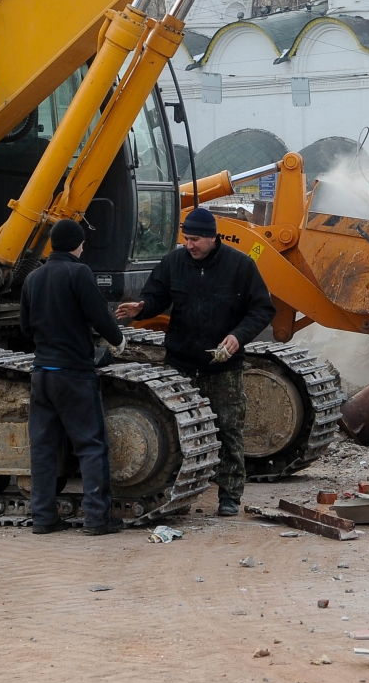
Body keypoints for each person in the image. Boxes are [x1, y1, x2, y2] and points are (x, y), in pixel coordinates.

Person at [117, 207, 273, 517]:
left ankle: (229, 495)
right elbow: (157, 295)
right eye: (186, 238)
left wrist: (238, 336)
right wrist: (142, 307)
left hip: (222, 365)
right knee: (177, 430)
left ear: (213, 238)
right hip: (181, 363)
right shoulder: (174, 262)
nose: (190, 245)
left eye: (196, 239)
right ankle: (178, 493)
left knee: (228, 429)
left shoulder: (240, 266)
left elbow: (262, 310)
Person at [18, 218, 127, 536]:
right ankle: (97, 518)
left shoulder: (33, 278)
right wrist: (117, 340)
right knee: (92, 445)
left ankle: (43, 517)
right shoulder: (79, 272)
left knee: (43, 447)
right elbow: (99, 314)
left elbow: (25, 328)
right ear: (78, 245)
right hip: (74, 375)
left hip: (42, 374)